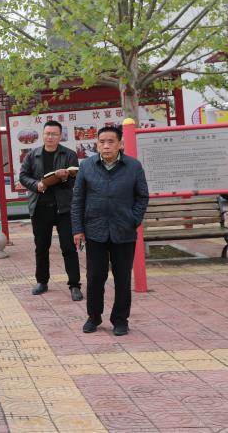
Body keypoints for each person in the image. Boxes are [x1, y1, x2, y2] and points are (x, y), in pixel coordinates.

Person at [72, 125, 149, 336]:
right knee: (95, 277)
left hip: (124, 231)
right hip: (94, 230)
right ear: (97, 144)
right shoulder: (87, 166)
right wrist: (78, 229)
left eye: (111, 142)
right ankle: (93, 317)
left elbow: (142, 197)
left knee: (122, 278)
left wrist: (133, 220)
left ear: (120, 144)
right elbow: (77, 199)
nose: (106, 146)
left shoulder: (133, 166)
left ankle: (120, 320)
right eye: (102, 142)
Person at [18, 120, 83, 301]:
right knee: (41, 247)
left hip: (63, 208)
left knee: (68, 247)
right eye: (47, 133)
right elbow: (23, 176)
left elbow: (74, 181)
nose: (50, 137)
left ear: (60, 136)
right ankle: (42, 281)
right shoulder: (32, 155)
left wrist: (64, 178)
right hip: (40, 207)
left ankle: (74, 285)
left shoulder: (69, 154)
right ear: (43, 134)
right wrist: (37, 184)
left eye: (54, 134)